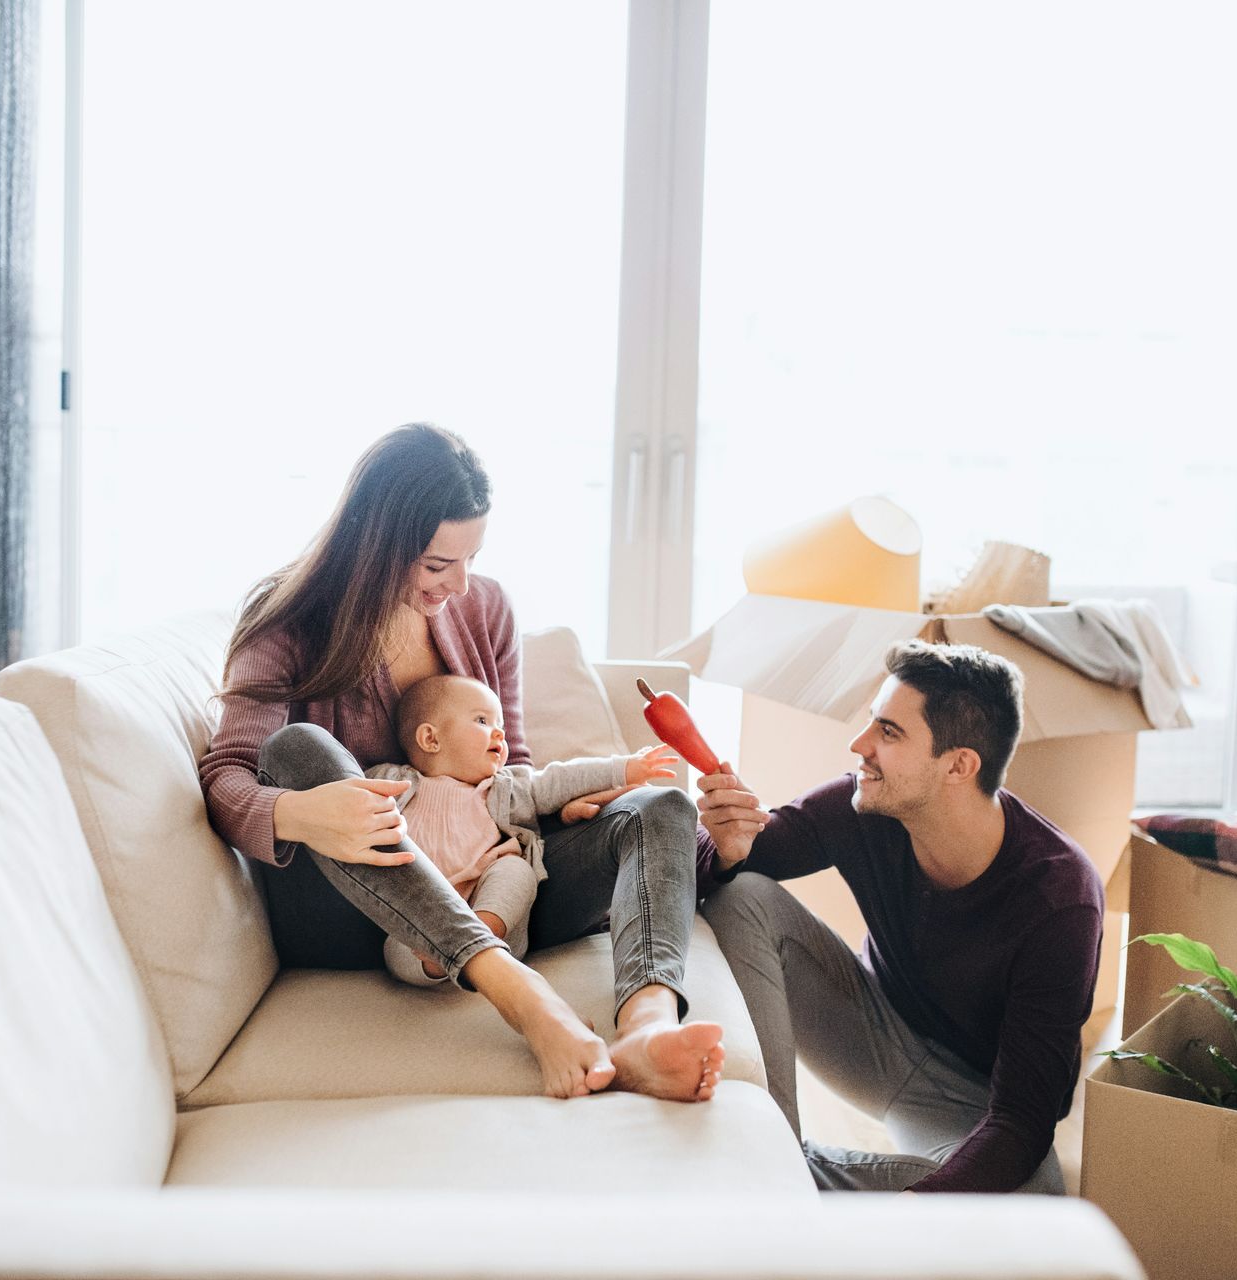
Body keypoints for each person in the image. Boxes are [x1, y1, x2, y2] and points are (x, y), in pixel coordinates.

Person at [198, 423, 724, 1102]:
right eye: (436, 565)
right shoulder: (286, 619)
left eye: (470, 559)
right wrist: (302, 811)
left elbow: (513, 765)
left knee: (661, 805)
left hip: (492, 882)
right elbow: (228, 777)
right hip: (360, 908)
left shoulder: (485, 609)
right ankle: (520, 994)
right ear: (370, 543)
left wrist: (562, 809)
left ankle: (646, 1030)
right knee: (296, 751)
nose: (459, 584)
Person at [694, 640, 1102, 1192]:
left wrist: (916, 1208)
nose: (859, 745)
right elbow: (732, 858)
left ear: (959, 765)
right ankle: (776, 1156)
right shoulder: (862, 804)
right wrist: (722, 846)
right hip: (871, 1031)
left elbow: (1022, 1122)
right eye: (871, 723)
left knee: (1036, 1210)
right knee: (741, 892)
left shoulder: (1060, 899)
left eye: (888, 732)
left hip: (974, 1099)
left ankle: (802, 1179)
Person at [367, 674, 679, 988]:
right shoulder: (391, 783)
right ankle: (438, 963)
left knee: (515, 869)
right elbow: (345, 794)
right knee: (397, 949)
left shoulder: (506, 787)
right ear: (430, 739)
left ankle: (482, 933)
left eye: (499, 722)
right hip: (422, 911)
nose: (500, 732)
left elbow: (559, 778)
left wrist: (623, 768)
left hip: (489, 899)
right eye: (482, 720)